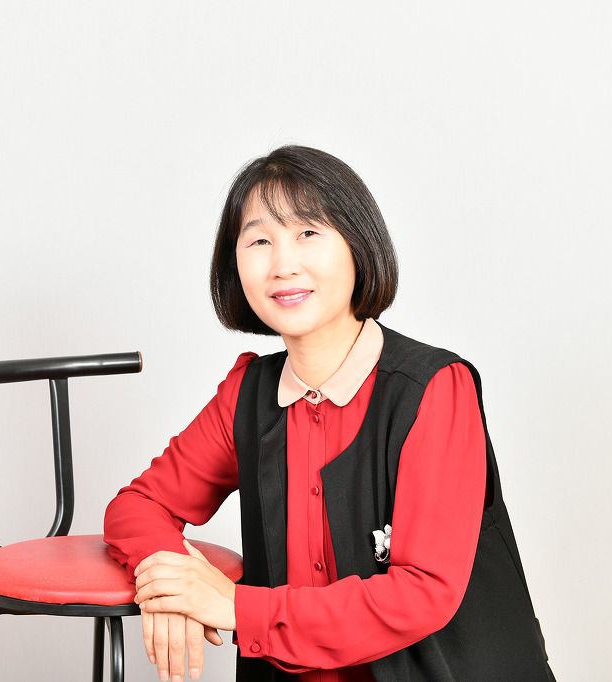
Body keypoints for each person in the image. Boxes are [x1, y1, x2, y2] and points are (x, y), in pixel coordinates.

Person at [104, 146, 553, 682]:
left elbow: (423, 592)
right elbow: (138, 506)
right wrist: (172, 585)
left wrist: (233, 606)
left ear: (357, 245)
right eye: (259, 241)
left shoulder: (432, 388)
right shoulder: (247, 394)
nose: (283, 264)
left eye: (308, 233)